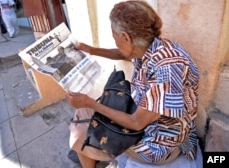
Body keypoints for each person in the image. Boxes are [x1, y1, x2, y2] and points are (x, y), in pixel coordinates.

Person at [66, 1, 199, 168]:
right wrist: (92, 50)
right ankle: (87, 151)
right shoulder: (153, 46)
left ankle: (87, 153)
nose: (115, 41)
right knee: (82, 114)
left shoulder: (166, 72)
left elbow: (137, 123)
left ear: (126, 37)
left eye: (114, 37)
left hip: (158, 142)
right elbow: (124, 54)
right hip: (142, 114)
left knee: (80, 133)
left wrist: (90, 103)